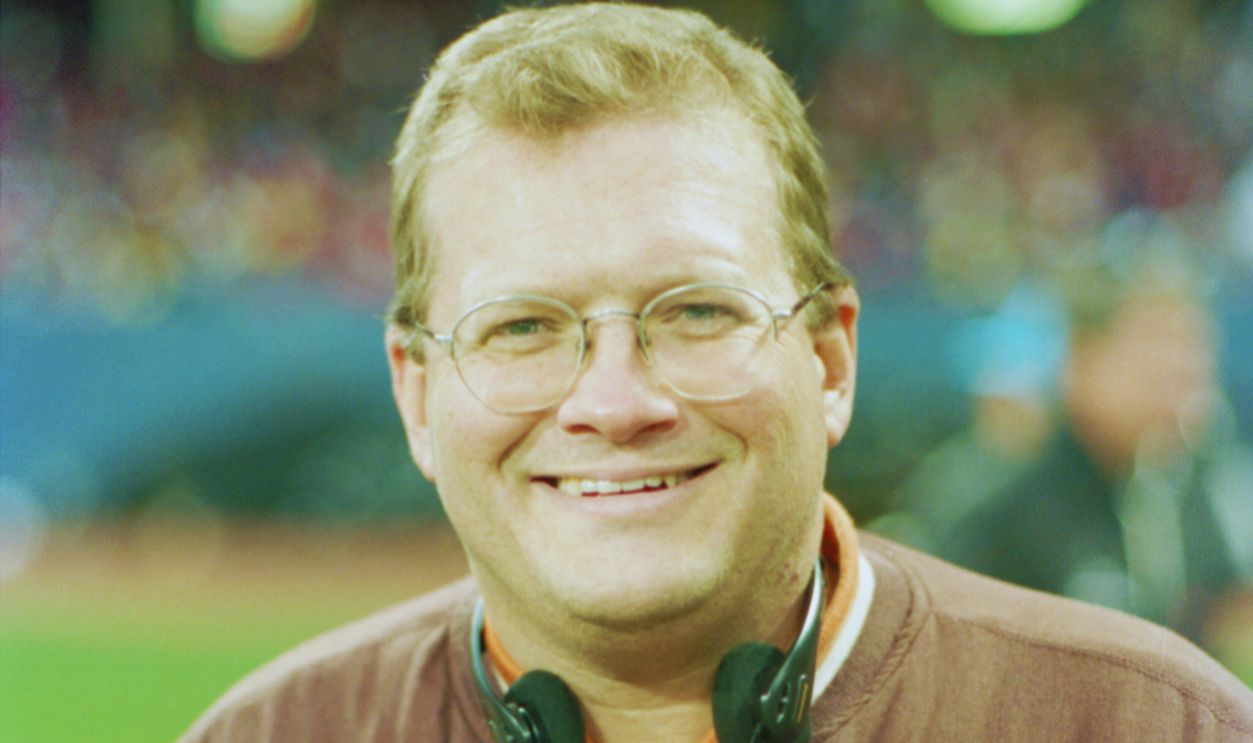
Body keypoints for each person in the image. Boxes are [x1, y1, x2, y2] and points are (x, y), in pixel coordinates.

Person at [178, 4, 1253, 741]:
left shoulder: (1153, 722)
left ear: (829, 358)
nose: (613, 402)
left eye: (696, 311)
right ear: (415, 391)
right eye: (519, 328)